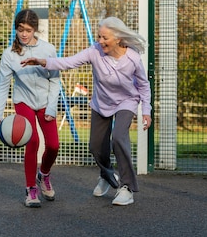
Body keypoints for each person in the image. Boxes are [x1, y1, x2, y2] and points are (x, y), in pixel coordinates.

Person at [21, 16, 152, 206]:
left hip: (127, 101)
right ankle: (106, 174)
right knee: (95, 146)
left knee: (118, 137)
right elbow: (68, 62)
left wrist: (146, 110)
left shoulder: (132, 58)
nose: (100, 41)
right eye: (99, 37)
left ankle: (126, 187)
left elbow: (143, 85)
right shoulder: (94, 52)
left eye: (105, 38)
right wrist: (42, 61)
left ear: (118, 38)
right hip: (101, 102)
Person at [0, 9, 61, 208]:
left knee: (54, 146)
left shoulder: (48, 49)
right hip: (23, 102)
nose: (24, 34)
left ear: (35, 30)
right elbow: (3, 86)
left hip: (46, 102)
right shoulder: (9, 55)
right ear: (16, 29)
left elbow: (55, 82)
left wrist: (51, 108)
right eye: (20, 29)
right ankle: (31, 189)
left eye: (28, 30)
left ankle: (44, 175)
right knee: (33, 141)